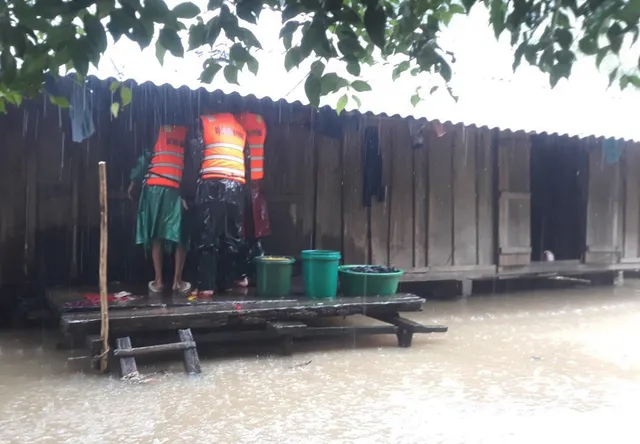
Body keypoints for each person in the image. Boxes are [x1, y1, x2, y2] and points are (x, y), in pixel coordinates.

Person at [128, 124, 192, 294]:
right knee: (181, 235)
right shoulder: (188, 135)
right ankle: (177, 282)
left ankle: (158, 281)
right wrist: (187, 194)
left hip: (153, 189)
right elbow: (191, 166)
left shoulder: (157, 130)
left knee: (156, 234)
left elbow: (145, 159)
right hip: (175, 189)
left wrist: (133, 181)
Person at [192, 113, 248, 295]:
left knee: (208, 236)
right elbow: (246, 158)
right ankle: (231, 281)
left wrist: (188, 190)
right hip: (237, 185)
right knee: (233, 236)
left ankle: (206, 286)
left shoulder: (205, 122)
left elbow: (195, 155)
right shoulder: (240, 129)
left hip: (212, 183)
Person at [235, 112, 271, 281]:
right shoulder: (260, 121)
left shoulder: (238, 121)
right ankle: (256, 273)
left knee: (242, 233)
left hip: (243, 183)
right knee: (256, 234)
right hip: (256, 184)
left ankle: (242, 274)